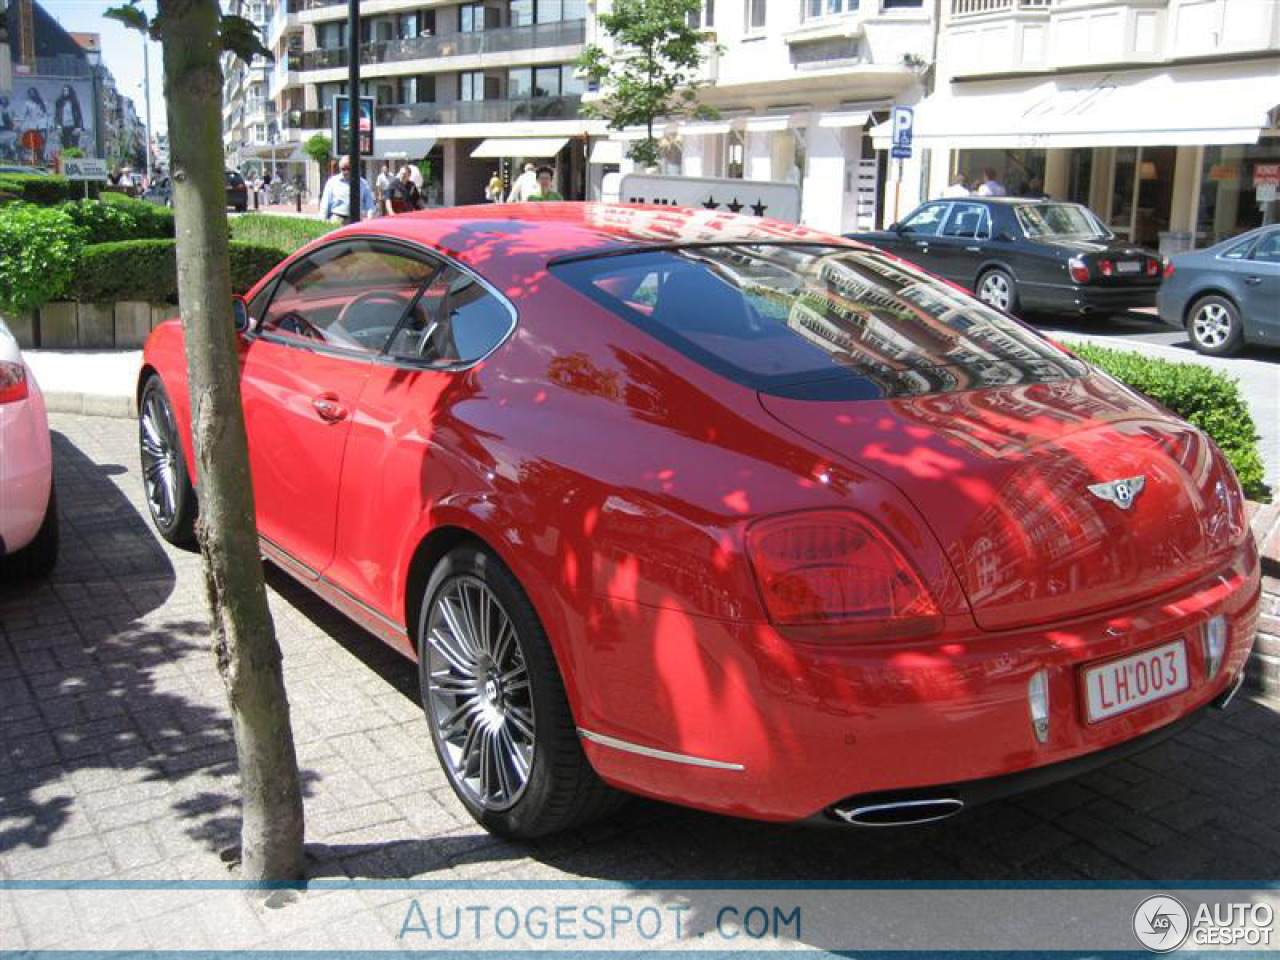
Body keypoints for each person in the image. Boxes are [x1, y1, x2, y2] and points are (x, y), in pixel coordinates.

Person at [319, 156, 375, 222]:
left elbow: (370, 205)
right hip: (337, 219)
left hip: (356, 220)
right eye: (343, 169)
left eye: (349, 169)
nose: (346, 171)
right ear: (340, 168)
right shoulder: (332, 182)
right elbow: (325, 203)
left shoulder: (363, 183)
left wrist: (369, 220)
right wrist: (322, 220)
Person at [18, 88, 48, 165]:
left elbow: (46, 114)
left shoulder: (43, 102)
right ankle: (34, 159)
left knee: (42, 142)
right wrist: (21, 126)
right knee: (34, 143)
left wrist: (49, 124)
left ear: (36, 93)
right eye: (30, 93)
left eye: (33, 93)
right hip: (33, 126)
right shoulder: (27, 103)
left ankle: (41, 158)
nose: (32, 94)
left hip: (42, 125)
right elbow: (23, 115)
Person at [53, 85, 83, 151]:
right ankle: (67, 159)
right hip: (63, 126)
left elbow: (79, 115)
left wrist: (79, 127)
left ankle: (74, 159)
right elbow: (57, 115)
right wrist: (58, 126)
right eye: (64, 90)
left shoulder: (74, 102)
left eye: (66, 90)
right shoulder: (59, 102)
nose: (65, 92)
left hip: (73, 126)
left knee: (74, 145)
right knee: (65, 145)